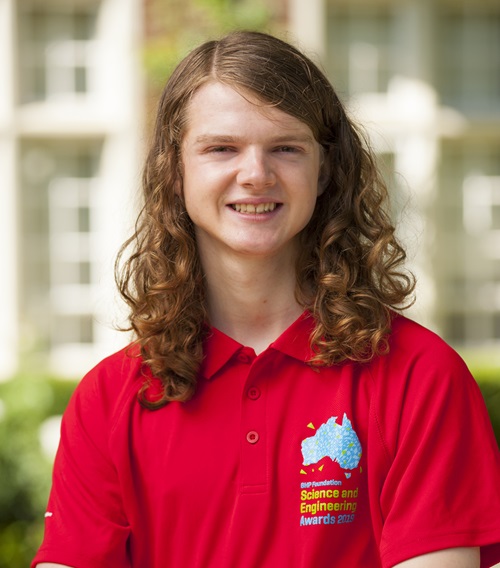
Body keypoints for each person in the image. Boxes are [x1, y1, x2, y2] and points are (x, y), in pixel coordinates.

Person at [33, 30, 500, 568]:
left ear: (324, 170)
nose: (255, 174)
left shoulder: (422, 378)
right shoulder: (106, 402)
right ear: (174, 169)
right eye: (221, 148)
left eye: (285, 148)